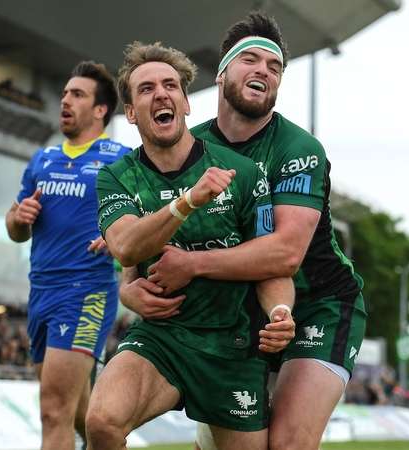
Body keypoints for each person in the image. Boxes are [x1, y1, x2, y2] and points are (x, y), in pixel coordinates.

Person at [119, 12, 367, 450]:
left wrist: (192, 265)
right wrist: (129, 285)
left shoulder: (298, 148)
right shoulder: (185, 144)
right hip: (236, 308)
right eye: (250, 60)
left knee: (287, 442)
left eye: (274, 68)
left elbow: (285, 254)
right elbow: (150, 229)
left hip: (317, 306)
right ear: (221, 73)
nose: (263, 71)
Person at [85, 42, 296, 450]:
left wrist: (281, 311)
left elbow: (272, 266)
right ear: (129, 112)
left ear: (185, 102)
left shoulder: (244, 173)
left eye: (170, 86)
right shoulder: (116, 178)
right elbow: (126, 247)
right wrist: (185, 203)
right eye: (146, 89)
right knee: (102, 420)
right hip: (161, 339)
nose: (161, 94)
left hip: (232, 347)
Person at [5, 60, 131, 449]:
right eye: (64, 93)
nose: (65, 99)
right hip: (40, 292)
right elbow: (15, 230)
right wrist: (19, 217)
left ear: (100, 110)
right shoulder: (43, 160)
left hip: (86, 289)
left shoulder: (120, 158)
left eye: (77, 94)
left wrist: (122, 237)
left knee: (53, 411)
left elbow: (151, 219)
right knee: (80, 414)